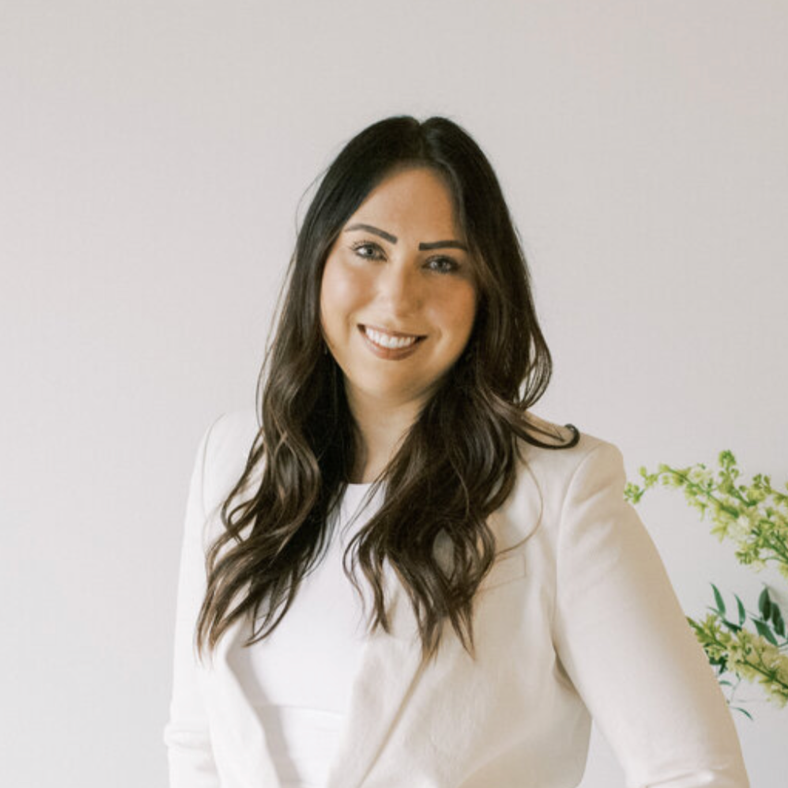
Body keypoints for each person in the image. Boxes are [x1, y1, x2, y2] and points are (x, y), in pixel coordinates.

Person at [163, 116, 750, 788]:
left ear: (485, 290)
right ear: (319, 259)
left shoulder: (556, 493)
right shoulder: (234, 460)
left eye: (441, 263)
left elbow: (695, 770)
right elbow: (197, 743)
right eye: (369, 250)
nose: (397, 297)